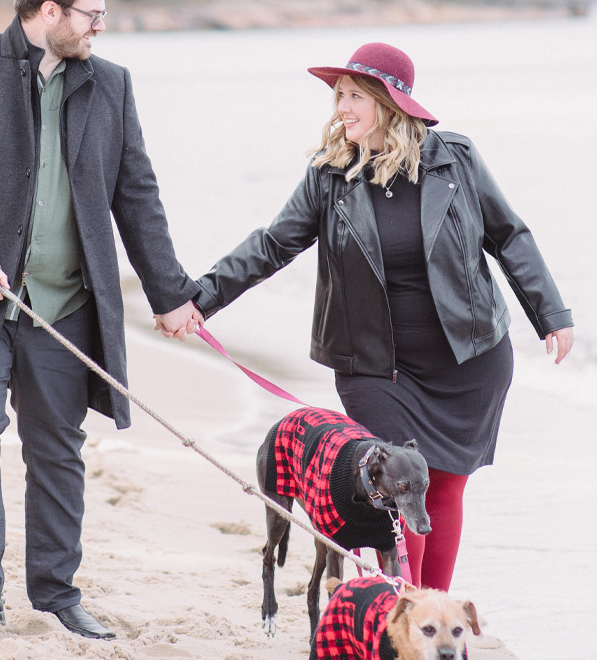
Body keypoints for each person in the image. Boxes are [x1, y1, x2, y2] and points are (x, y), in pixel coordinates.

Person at [156, 42, 573, 592]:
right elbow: (273, 244)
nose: (341, 108)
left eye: (354, 96)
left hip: (468, 357)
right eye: (339, 97)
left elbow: (508, 235)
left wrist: (550, 311)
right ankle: (398, 606)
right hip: (375, 366)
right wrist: (199, 298)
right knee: (395, 490)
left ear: (388, 101)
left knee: (444, 488)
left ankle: (430, 611)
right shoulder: (330, 175)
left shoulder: (455, 158)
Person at [0, 0, 202, 637]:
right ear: (49, 12)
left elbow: (137, 196)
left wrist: (170, 293)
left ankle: (58, 595)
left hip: (64, 305)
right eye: (93, 14)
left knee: (57, 451)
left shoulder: (112, 87)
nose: (101, 26)